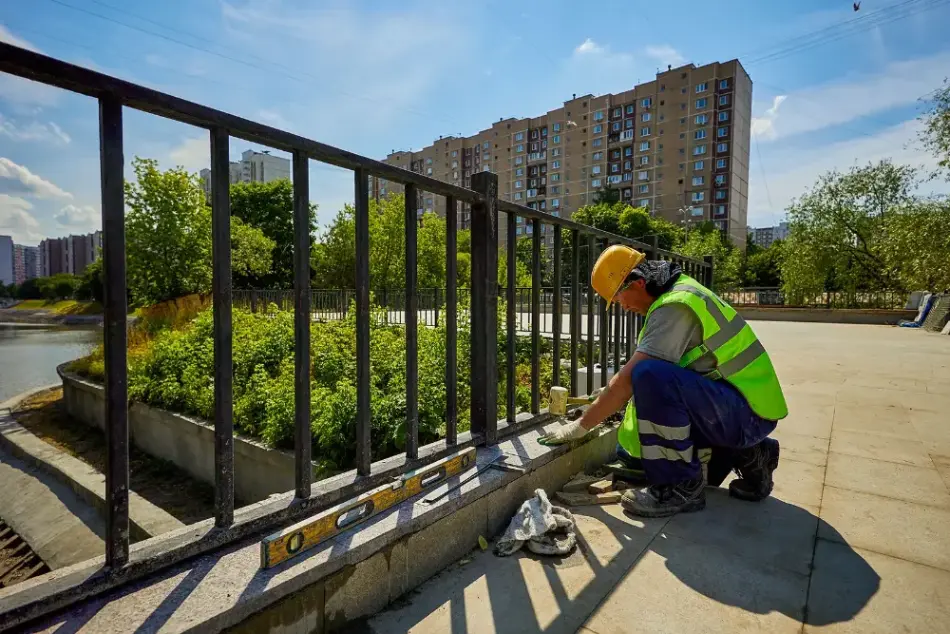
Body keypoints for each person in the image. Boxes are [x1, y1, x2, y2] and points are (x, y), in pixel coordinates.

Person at [539, 245, 788, 518]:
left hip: (744, 415)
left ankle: (679, 486)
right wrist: (607, 394)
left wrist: (579, 427)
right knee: (633, 454)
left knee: (647, 375)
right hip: (747, 409)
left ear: (640, 283)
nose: (623, 306)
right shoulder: (679, 292)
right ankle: (755, 455)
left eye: (619, 297)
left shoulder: (674, 307)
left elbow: (636, 378)